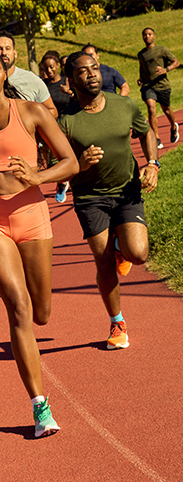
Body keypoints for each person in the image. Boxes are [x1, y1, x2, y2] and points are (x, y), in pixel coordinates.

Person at [0, 48, 82, 437]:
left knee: (41, 313)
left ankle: (33, 344)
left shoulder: (31, 113)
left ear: (5, 74)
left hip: (32, 216)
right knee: (18, 307)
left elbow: (70, 162)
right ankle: (41, 408)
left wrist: (39, 177)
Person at [59, 51, 159, 351]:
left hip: (127, 189)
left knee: (138, 254)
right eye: (83, 71)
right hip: (90, 198)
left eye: (95, 68)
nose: (92, 74)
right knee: (103, 264)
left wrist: (153, 163)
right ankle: (117, 322)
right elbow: (57, 165)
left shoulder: (123, 104)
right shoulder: (66, 121)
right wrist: (80, 162)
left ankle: (121, 247)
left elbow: (146, 133)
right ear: (71, 80)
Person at [0, 30, 58, 118]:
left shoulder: (31, 79)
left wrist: (31, 121)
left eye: (8, 48)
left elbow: (52, 111)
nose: (4, 53)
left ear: (15, 53)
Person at [137, 27, 180, 150]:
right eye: (145, 35)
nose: (147, 36)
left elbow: (176, 62)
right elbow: (142, 67)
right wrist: (141, 78)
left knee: (166, 109)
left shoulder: (162, 50)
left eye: (150, 34)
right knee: (151, 109)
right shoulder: (141, 54)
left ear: (154, 36)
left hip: (162, 85)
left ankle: (173, 127)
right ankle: (156, 138)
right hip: (148, 86)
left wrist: (165, 69)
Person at [41, 50, 72, 203]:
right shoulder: (42, 86)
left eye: (52, 67)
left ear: (58, 66)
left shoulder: (67, 81)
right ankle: (62, 183)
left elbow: (78, 99)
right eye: (46, 68)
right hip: (52, 127)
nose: (49, 71)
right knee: (54, 162)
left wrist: (69, 92)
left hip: (70, 123)